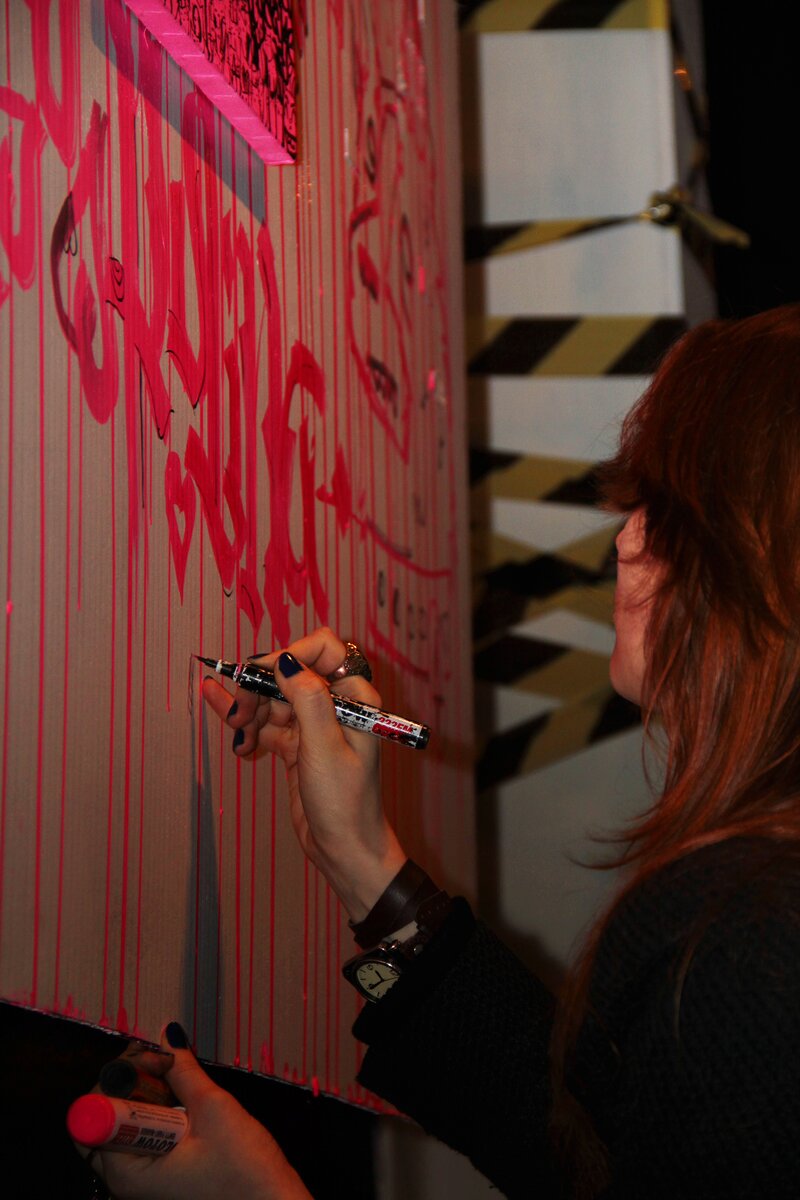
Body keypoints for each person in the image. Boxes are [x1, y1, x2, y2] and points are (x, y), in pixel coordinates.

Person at [73, 304, 800, 1198]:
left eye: (671, 513)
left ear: (769, 568)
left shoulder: (751, 942)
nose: (626, 538)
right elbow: (604, 1153)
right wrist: (365, 862)